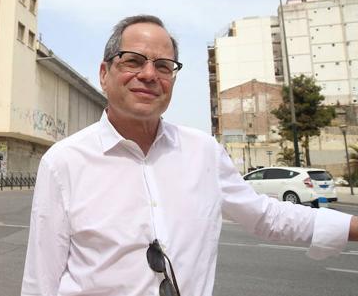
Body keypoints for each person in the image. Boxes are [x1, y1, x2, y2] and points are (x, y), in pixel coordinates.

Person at [21, 15, 358, 296]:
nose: (150, 75)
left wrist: (352, 227)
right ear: (104, 74)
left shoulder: (203, 153)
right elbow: (41, 279)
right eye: (133, 61)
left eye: (164, 66)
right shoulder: (64, 161)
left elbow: (265, 216)